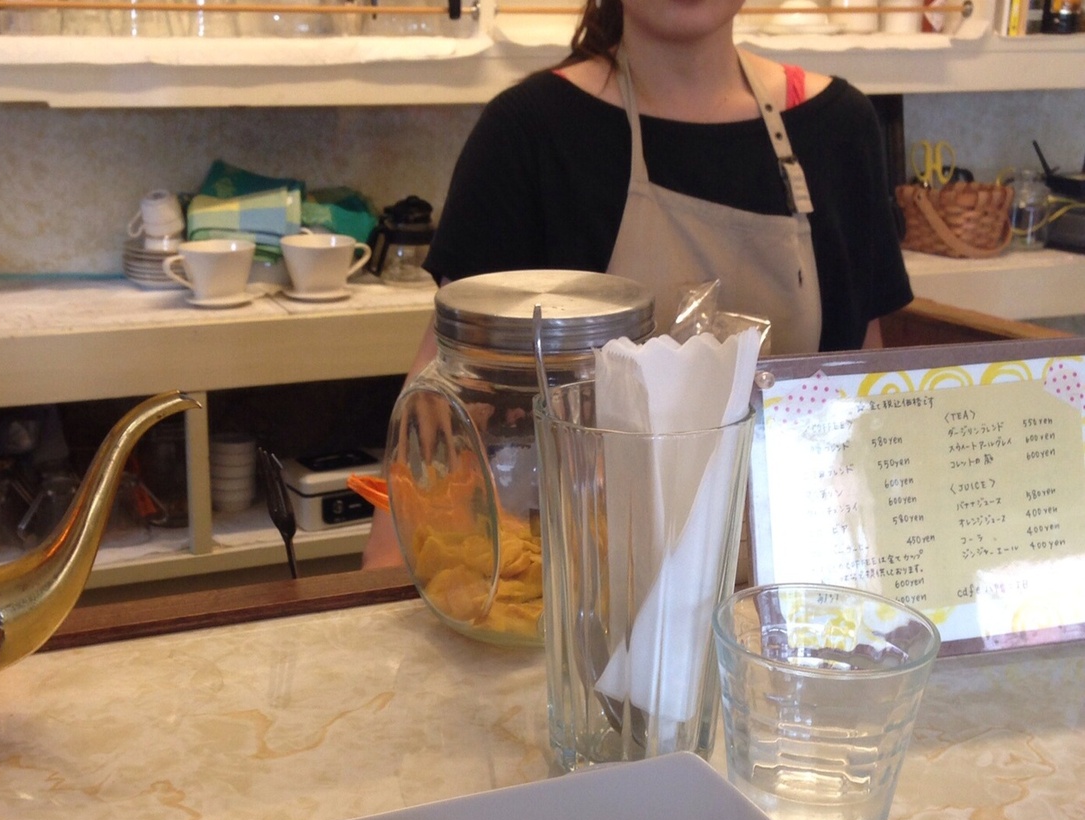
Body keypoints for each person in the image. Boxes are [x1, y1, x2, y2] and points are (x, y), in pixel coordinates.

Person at [362, 0, 913, 567]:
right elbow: (444, 397)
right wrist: (387, 574)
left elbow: (864, 395)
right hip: (578, 589)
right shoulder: (529, 130)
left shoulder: (837, 128)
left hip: (790, 581)